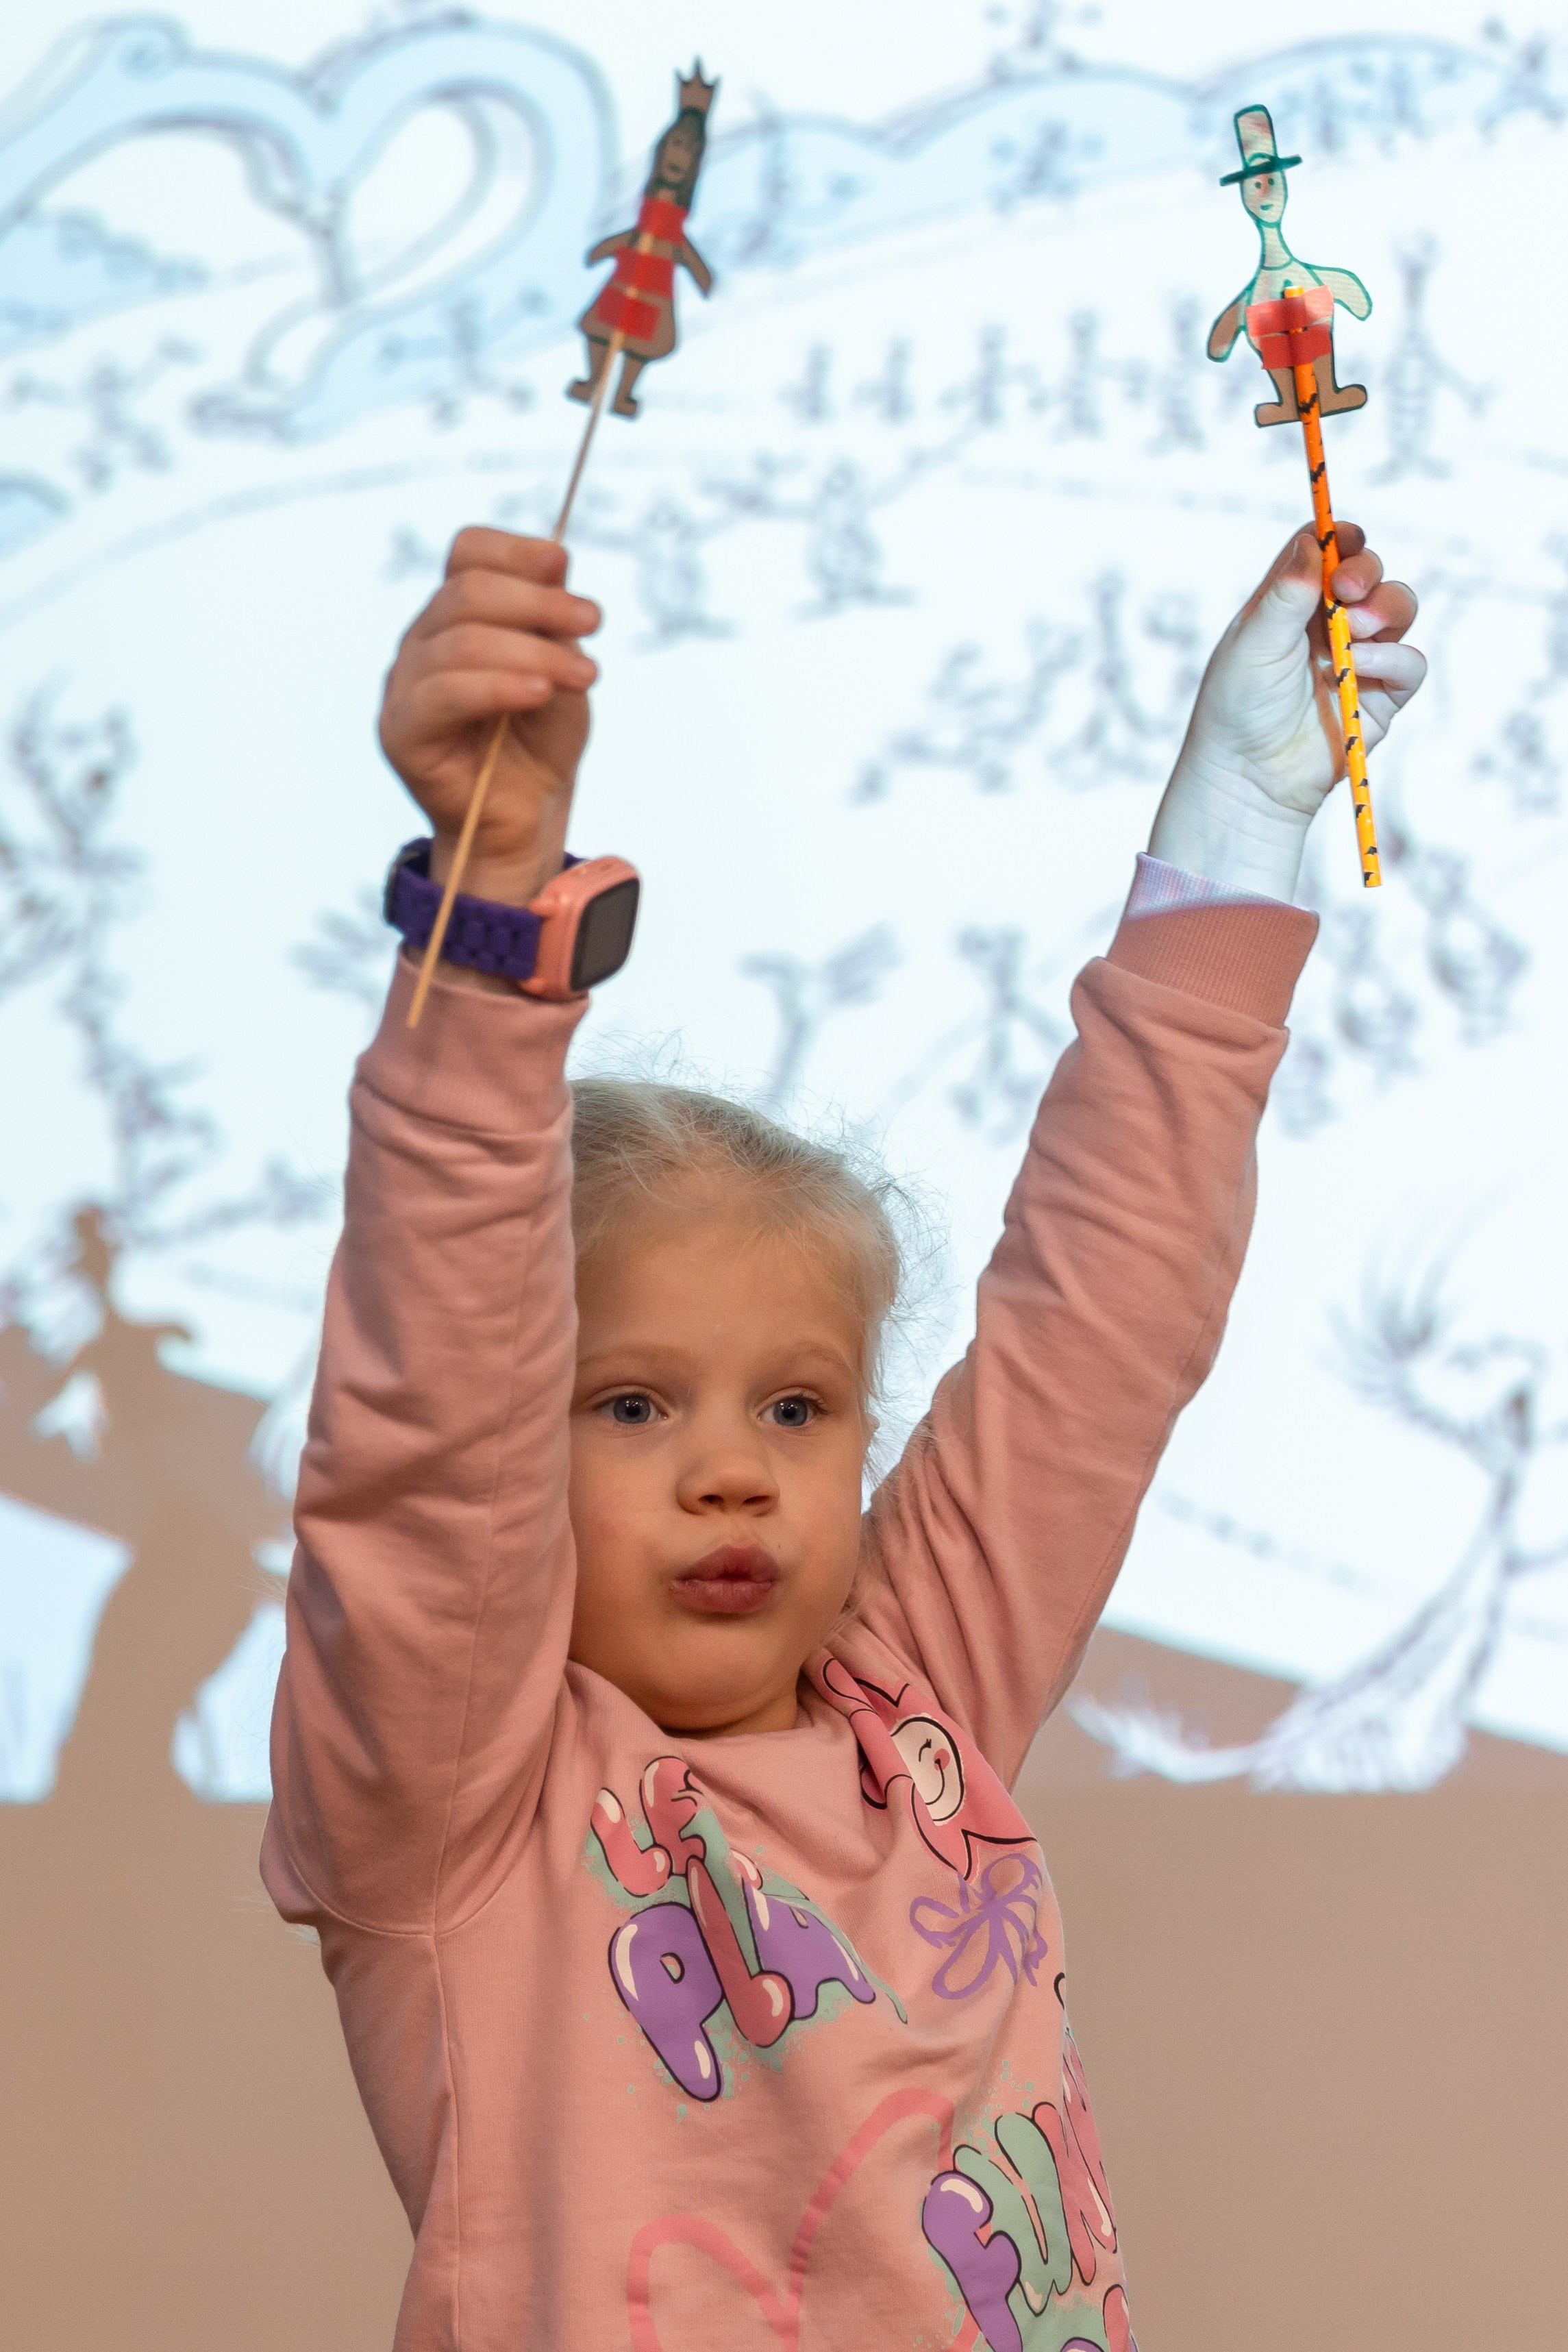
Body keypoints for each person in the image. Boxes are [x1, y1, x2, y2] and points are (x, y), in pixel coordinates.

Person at [263, 521, 1423, 2349]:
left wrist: (1237, 825)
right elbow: (422, 1430)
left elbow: (1098, 1330)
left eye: (793, 1406)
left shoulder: (913, 1704)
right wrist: (491, 915)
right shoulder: (453, 1807)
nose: (732, 1469)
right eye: (633, 1402)